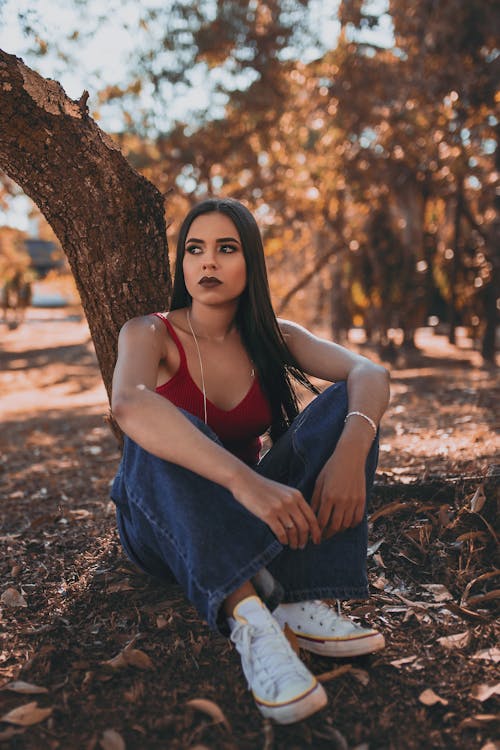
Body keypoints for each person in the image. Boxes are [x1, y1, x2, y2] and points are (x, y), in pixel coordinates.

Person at [110, 197, 390, 725]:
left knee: (343, 405)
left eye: (225, 249)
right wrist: (244, 482)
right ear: (183, 264)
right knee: (156, 425)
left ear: (250, 263)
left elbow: (370, 373)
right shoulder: (147, 332)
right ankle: (251, 623)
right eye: (195, 250)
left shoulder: (273, 337)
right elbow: (126, 403)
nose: (207, 262)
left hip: (249, 514)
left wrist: (351, 452)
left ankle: (296, 600)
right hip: (159, 521)